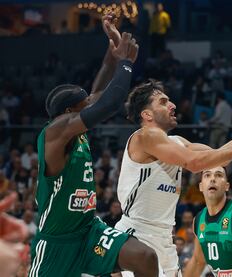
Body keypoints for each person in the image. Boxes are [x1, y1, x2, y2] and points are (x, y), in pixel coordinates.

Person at [28, 14, 158, 277]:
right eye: (83, 106)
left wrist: (112, 49)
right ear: (68, 112)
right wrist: (125, 63)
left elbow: (98, 93)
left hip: (88, 231)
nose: (90, 105)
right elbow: (106, 103)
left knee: (145, 257)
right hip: (56, 243)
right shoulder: (55, 132)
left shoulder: (73, 127)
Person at [114, 79, 232, 276]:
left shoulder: (176, 142)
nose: (172, 105)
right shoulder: (145, 136)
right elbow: (195, 163)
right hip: (138, 235)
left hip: (164, 239)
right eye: (163, 102)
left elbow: (215, 156)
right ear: (147, 114)